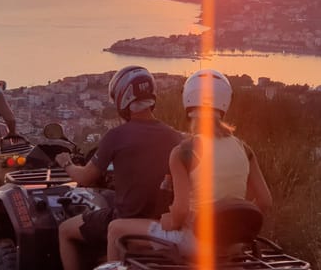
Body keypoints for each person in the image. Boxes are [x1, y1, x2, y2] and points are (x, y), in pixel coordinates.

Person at [105, 69, 273, 261]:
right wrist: (234, 227)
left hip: (195, 243)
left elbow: (182, 210)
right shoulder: (244, 148)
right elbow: (265, 202)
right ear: (225, 103)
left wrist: (170, 220)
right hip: (233, 246)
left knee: (115, 229)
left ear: (188, 101)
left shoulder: (184, 152)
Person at [55, 65, 184, 270]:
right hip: (160, 226)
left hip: (124, 220)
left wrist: (66, 163)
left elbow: (86, 177)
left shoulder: (116, 136)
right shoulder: (176, 136)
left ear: (122, 99)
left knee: (64, 230)